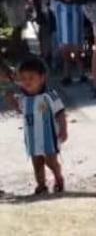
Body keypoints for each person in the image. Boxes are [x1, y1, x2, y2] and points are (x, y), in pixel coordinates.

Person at [4, 58, 67, 194]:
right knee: (37, 163)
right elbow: (20, 109)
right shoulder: (23, 99)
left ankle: (58, 177)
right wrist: (11, 101)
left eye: (31, 78)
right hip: (32, 139)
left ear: (42, 78)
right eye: (23, 78)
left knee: (51, 161)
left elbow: (60, 112)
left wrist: (63, 129)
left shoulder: (49, 96)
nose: (27, 81)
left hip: (48, 137)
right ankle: (41, 185)